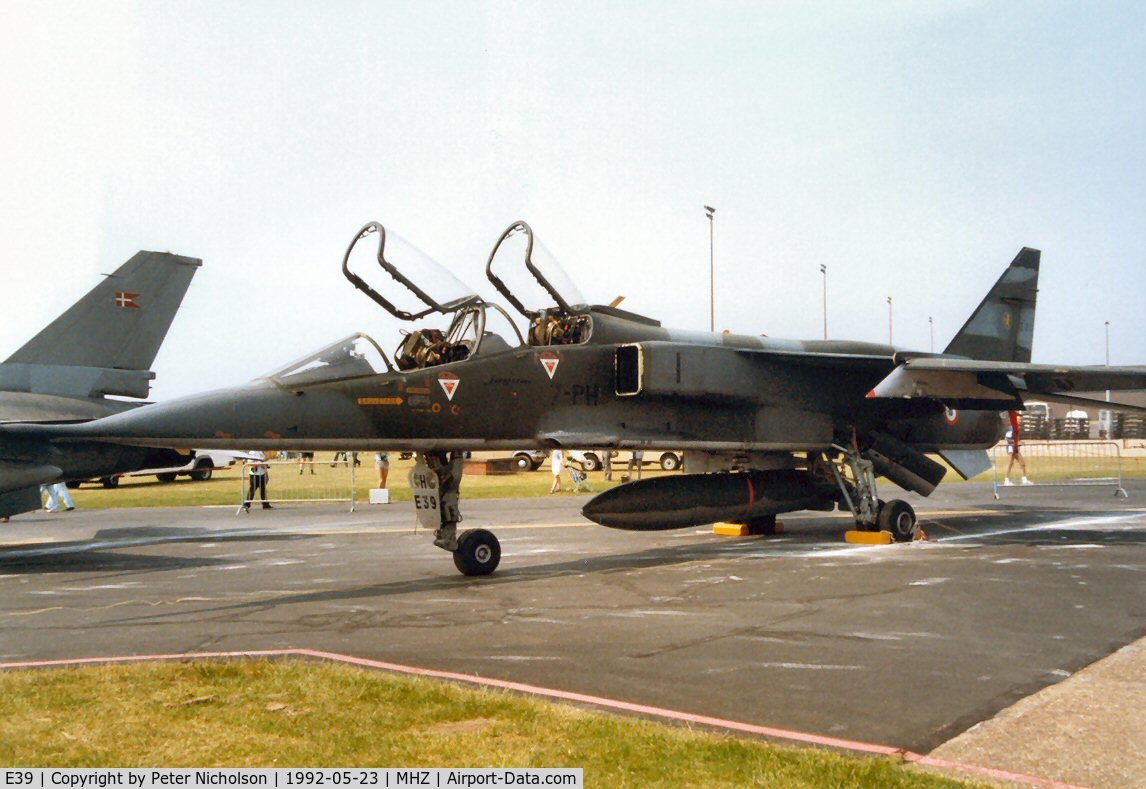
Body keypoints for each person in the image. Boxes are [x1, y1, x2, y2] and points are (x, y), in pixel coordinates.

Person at [1003, 411, 1031, 486]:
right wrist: (1018, 442)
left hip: (1016, 449)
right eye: (1018, 419)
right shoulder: (1011, 428)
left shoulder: (1017, 428)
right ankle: (1006, 480)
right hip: (1011, 449)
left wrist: (1019, 442)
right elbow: (1008, 439)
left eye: (1021, 420)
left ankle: (1024, 480)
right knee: (1010, 464)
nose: (1020, 421)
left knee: (1022, 463)